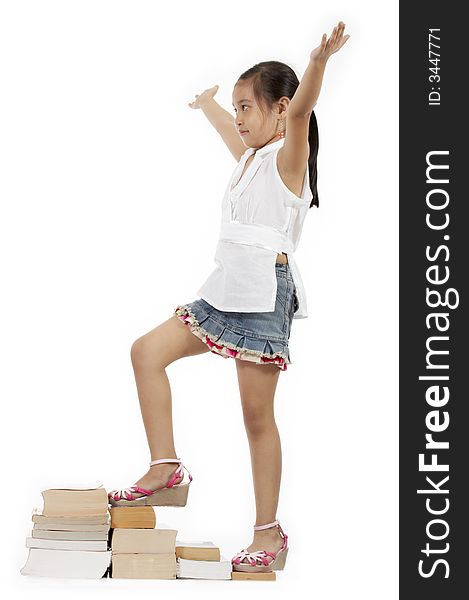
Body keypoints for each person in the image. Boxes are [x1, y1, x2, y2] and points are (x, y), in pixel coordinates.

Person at [108, 21, 350, 573]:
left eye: (248, 108)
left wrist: (318, 63)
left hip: (265, 291)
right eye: (237, 110)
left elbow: (303, 111)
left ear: (279, 110)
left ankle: (269, 532)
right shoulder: (248, 160)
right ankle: (166, 468)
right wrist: (211, 106)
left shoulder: (288, 161)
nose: (239, 120)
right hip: (225, 289)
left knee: (255, 417)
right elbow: (228, 129)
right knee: (147, 352)